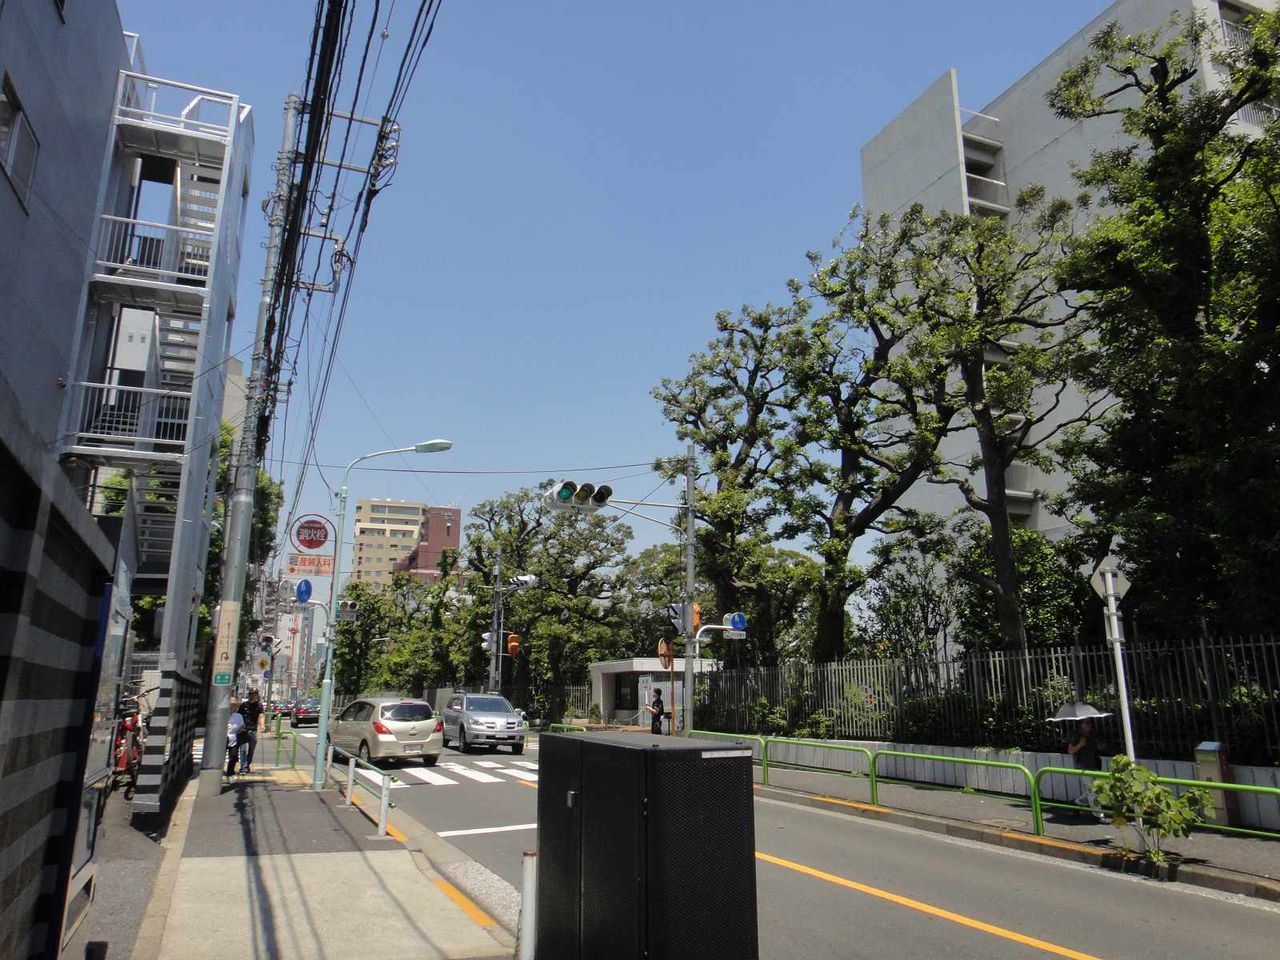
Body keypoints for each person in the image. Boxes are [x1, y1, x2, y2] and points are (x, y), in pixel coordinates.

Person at [1067, 716, 1105, 820]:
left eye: (1090, 723)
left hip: (1095, 764)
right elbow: (1070, 751)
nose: (1089, 725)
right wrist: (1080, 744)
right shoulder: (1076, 735)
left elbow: (1099, 748)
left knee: (1090, 792)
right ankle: (1098, 815)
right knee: (1093, 791)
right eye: (1087, 723)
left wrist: (1099, 744)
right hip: (1083, 766)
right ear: (1081, 724)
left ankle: (1075, 803)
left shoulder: (1093, 734)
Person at [238, 690, 263, 774]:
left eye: (255, 694)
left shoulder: (259, 706)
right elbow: (239, 716)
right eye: (252, 694)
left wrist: (261, 726)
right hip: (243, 730)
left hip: (253, 730)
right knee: (243, 749)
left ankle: (247, 764)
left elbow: (261, 716)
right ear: (249, 695)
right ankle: (243, 767)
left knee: (251, 749)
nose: (253, 696)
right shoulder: (243, 705)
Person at [226, 705, 246, 777]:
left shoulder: (239, 716)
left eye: (234, 705)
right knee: (220, 756)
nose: (231, 707)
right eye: (230, 704)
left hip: (234, 736)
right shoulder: (222, 714)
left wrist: (240, 731)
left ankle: (230, 771)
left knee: (233, 755)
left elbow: (242, 726)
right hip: (223, 737)